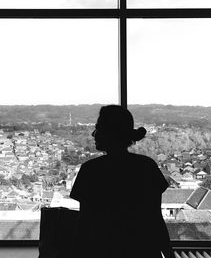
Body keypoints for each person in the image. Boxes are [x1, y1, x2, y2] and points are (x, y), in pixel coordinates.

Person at [70, 105, 175, 258]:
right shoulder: (146, 166)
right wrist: (169, 254)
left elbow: (85, 226)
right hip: (143, 249)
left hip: (102, 250)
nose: (94, 134)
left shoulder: (91, 170)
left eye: (98, 128)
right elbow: (155, 220)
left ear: (110, 133)